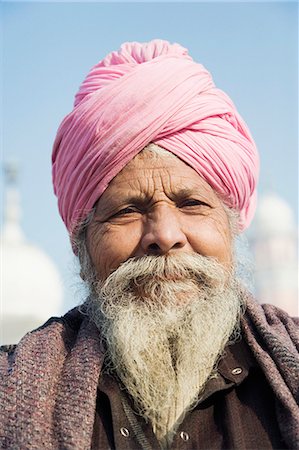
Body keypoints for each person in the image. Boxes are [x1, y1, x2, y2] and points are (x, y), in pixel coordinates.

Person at [1, 40, 298, 450]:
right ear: (81, 242)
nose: (164, 234)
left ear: (231, 227)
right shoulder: (12, 389)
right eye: (127, 210)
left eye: (192, 204)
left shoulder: (290, 370)